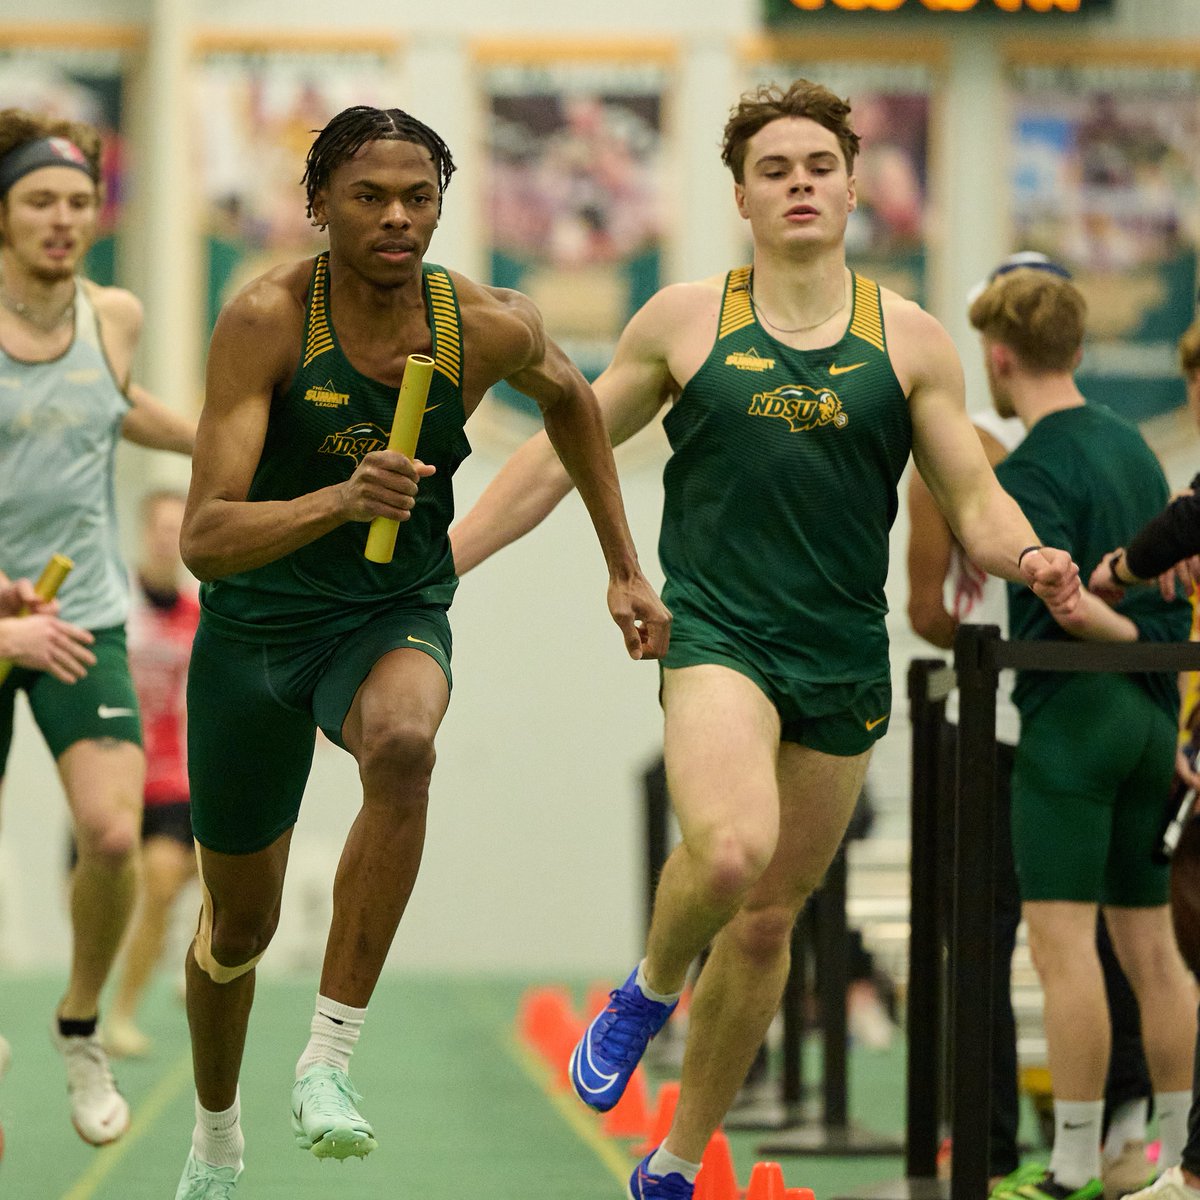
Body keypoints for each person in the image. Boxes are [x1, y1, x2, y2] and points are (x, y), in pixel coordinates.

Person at [451, 79, 1080, 1200]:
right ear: (741, 194)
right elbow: (564, 448)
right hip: (718, 637)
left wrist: (1030, 556)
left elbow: (975, 497)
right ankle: (645, 990)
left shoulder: (915, 341)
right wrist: (444, 562)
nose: (800, 184)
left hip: (839, 657)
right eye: (776, 169)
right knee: (730, 851)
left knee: (766, 923)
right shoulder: (687, 320)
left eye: (819, 167)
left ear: (852, 189)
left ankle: (678, 1163)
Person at [171, 104, 670, 1199]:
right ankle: (215, 1139)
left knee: (404, 743)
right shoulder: (264, 320)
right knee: (237, 931)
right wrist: (339, 497)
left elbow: (576, 404)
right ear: (318, 207)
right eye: (368, 196)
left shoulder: (482, 323)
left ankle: (329, 1064)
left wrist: (624, 566)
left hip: (388, 614)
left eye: (418, 198)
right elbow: (204, 537)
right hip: (254, 634)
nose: (397, 218)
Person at [906, 252, 1156, 1200]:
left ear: (997, 352)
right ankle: (1099, 1142)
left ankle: (1086, 1152)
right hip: (1065, 702)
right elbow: (926, 605)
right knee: (1056, 935)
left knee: (1070, 939)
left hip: (1054, 699)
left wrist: (1057, 622)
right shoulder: (1090, 449)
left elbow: (1085, 591)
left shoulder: (1047, 457)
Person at [964, 264, 1197, 1200]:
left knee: (1064, 951)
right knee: (1152, 950)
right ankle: (1176, 1157)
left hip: (1074, 719)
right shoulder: (1137, 452)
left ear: (998, 355)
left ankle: (1070, 1166)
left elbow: (1062, 601)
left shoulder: (1024, 471)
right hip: (1152, 717)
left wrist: (1099, 619)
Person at [0, 107, 195, 1148]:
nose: (62, 219)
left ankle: (81, 1023)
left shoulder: (111, 314)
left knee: (114, 835)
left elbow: (115, 403)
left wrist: (233, 444)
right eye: (40, 200)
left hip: (80, 611)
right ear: (3, 214)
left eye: (79, 202)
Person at [98, 489, 200, 1059]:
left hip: (168, 771)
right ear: (144, 533)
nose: (168, 539)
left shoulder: (198, 612)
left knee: (166, 879)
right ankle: (91, 1005)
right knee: (104, 900)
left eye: (176, 529)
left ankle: (124, 1013)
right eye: (159, 528)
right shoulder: (115, 601)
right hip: (111, 768)